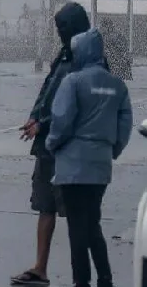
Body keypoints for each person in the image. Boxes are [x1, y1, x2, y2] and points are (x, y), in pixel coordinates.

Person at [11, 1, 91, 286]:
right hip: (48, 147)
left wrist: (43, 124)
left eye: (63, 27)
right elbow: (48, 91)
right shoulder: (65, 54)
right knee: (46, 206)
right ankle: (40, 268)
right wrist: (35, 117)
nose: (59, 32)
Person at [46, 28, 132, 287]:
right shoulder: (117, 86)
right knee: (92, 221)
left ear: (81, 52)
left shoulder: (72, 82)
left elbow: (62, 121)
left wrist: (52, 144)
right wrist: (113, 150)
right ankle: (105, 277)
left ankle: (81, 280)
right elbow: (125, 125)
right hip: (100, 167)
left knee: (76, 226)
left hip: (72, 167)